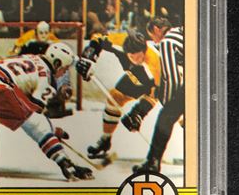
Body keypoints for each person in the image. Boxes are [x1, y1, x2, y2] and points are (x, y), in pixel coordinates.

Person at [0, 43, 93, 181]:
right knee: (38, 124)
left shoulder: (30, 57)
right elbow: (34, 117)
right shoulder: (46, 80)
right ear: (57, 64)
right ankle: (64, 161)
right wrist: (52, 131)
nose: (64, 73)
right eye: (64, 69)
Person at [75, 30, 161, 160]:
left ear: (144, 51)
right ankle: (105, 140)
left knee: (177, 114)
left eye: (140, 56)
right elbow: (97, 38)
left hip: (158, 82)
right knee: (114, 98)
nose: (136, 60)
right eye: (132, 57)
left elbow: (159, 92)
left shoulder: (154, 62)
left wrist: (139, 113)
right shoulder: (119, 41)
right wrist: (88, 58)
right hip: (134, 77)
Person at [125, 17, 185, 173]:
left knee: (165, 118)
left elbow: (171, 78)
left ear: (157, 29)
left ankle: (153, 162)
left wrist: (168, 105)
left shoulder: (167, 42)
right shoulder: (180, 31)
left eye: (152, 36)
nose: (154, 40)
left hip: (192, 83)